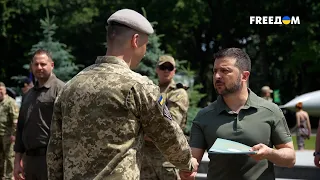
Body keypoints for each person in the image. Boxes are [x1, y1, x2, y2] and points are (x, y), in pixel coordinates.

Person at [46, 8, 198, 180]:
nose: (146, 51)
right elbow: (168, 134)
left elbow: (54, 152)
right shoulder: (138, 86)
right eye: (145, 44)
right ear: (135, 40)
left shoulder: (70, 87)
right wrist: (187, 163)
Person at [181, 48, 296, 180]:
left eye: (225, 71)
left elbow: (290, 159)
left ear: (244, 76)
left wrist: (269, 153)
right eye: (215, 71)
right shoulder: (204, 116)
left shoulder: (270, 111)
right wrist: (188, 169)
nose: (217, 76)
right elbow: (193, 159)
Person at [13, 49, 65, 180]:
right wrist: (17, 161)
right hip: (29, 161)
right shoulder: (28, 95)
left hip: (52, 160)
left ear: (52, 65)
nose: (39, 67)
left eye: (43, 64)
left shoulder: (61, 90)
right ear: (31, 67)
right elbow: (20, 129)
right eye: (36, 64)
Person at [141, 55, 189, 180]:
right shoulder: (150, 90)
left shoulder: (178, 93)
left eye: (170, 67)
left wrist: (143, 130)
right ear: (157, 69)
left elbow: (169, 125)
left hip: (167, 159)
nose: (166, 70)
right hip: (145, 159)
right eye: (163, 67)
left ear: (174, 71)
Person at [0, 82, 19, 180]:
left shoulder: (10, 102)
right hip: (0, 134)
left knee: (9, 157)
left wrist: (14, 134)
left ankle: (9, 177)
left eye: (1, 90)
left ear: (4, 90)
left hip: (8, 135)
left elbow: (15, 120)